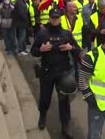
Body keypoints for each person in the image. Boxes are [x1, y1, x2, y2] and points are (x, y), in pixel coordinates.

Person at [30, 8, 81, 139]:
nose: (54, 20)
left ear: (60, 18)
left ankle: (65, 126)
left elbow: (77, 50)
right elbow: (33, 51)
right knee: (45, 98)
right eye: (52, 18)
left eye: (57, 18)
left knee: (64, 101)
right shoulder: (43, 33)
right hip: (47, 72)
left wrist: (71, 48)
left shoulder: (66, 34)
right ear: (49, 18)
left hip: (63, 72)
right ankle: (42, 116)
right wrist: (41, 49)